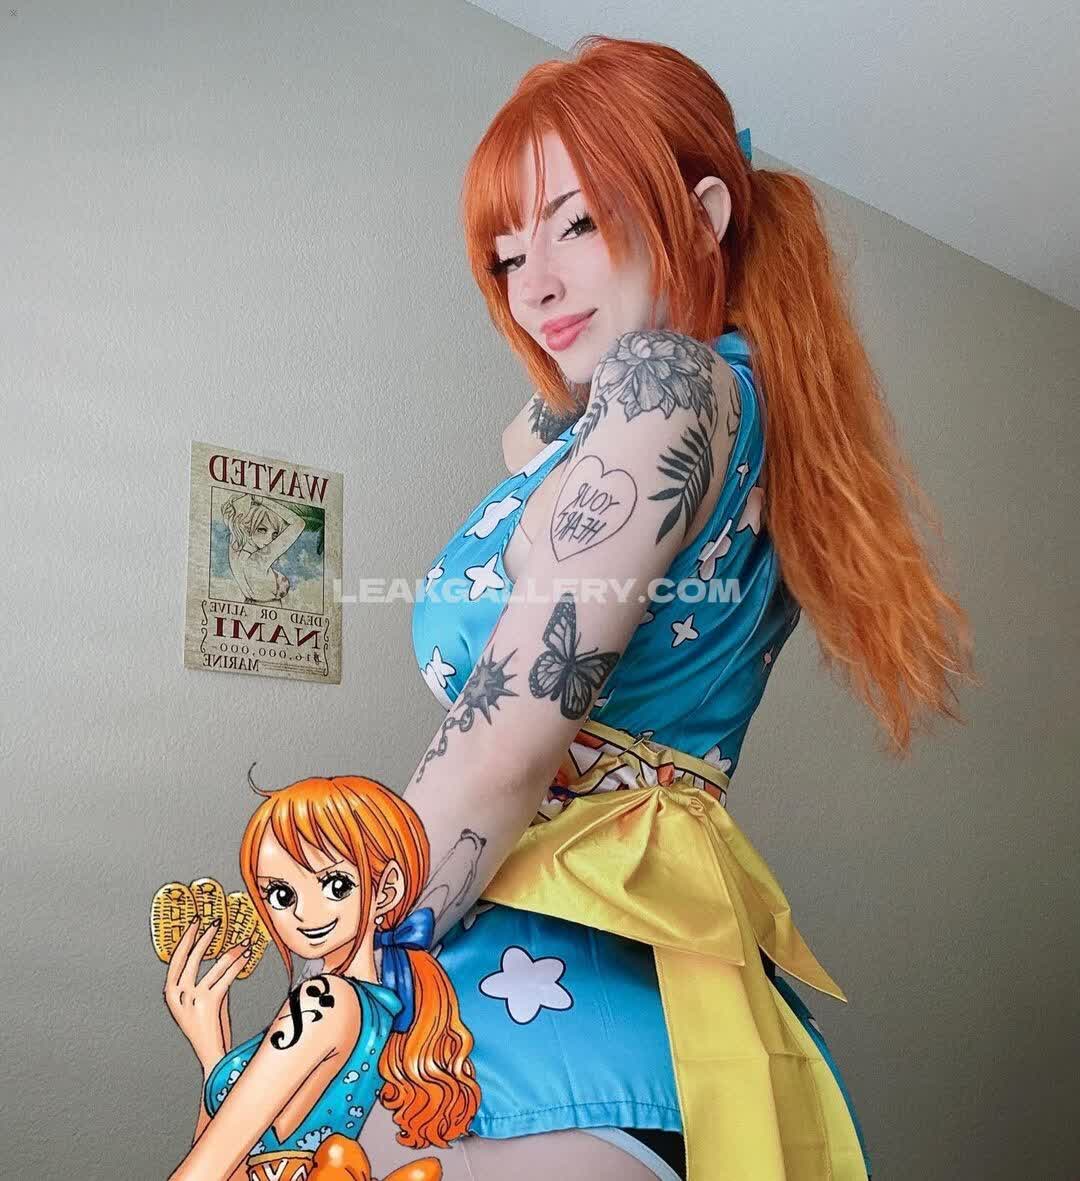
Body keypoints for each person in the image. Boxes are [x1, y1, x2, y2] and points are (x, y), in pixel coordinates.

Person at [351, 34, 973, 1181]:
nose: (534, 284)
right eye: (506, 256)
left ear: (704, 214)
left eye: (576, 224)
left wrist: (345, 959)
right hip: (601, 985)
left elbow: (500, 748)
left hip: (549, 1005)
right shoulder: (697, 412)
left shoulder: (670, 383)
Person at [161, 775, 480, 1181]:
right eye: (281, 894)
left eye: (335, 885)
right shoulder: (373, 1007)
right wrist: (213, 1053)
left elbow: (207, 1170)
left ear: (387, 890)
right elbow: (244, 1160)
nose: (303, 912)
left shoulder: (323, 999)